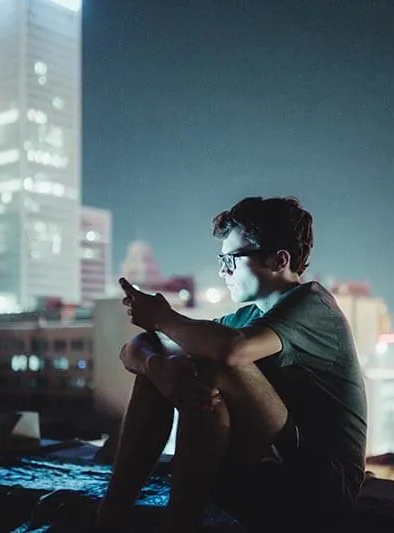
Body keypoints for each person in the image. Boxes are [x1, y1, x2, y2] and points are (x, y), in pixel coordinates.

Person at [95, 196, 367, 533]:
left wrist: (164, 318)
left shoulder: (313, 305)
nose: (223, 270)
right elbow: (133, 350)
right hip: (258, 477)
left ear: (279, 259)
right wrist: (154, 366)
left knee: (214, 364)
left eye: (231, 259)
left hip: (319, 490)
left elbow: (230, 352)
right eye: (220, 259)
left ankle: (178, 524)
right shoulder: (248, 317)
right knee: (169, 366)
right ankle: (111, 516)